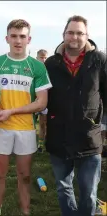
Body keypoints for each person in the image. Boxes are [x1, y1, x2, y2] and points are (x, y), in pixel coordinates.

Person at [44, 15, 107, 216]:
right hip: (58, 137)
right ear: (64, 35)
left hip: (89, 137)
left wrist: (104, 125)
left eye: (80, 33)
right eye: (71, 32)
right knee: (64, 189)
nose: (75, 37)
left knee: (89, 193)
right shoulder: (51, 64)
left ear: (87, 36)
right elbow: (44, 98)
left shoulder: (99, 60)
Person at [0, 19, 52, 215]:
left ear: (29, 39)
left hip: (25, 130)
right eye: (14, 36)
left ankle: (25, 211)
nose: (18, 40)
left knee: (24, 175)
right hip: (1, 129)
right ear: (7, 38)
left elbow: (41, 103)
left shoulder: (37, 67)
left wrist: (12, 111)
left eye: (22, 36)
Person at [36, 49, 49, 152]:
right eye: (41, 57)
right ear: (37, 58)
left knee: (44, 123)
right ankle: (37, 144)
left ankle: (44, 144)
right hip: (34, 101)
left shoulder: (49, 69)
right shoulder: (33, 68)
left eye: (45, 57)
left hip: (46, 101)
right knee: (33, 123)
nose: (44, 59)